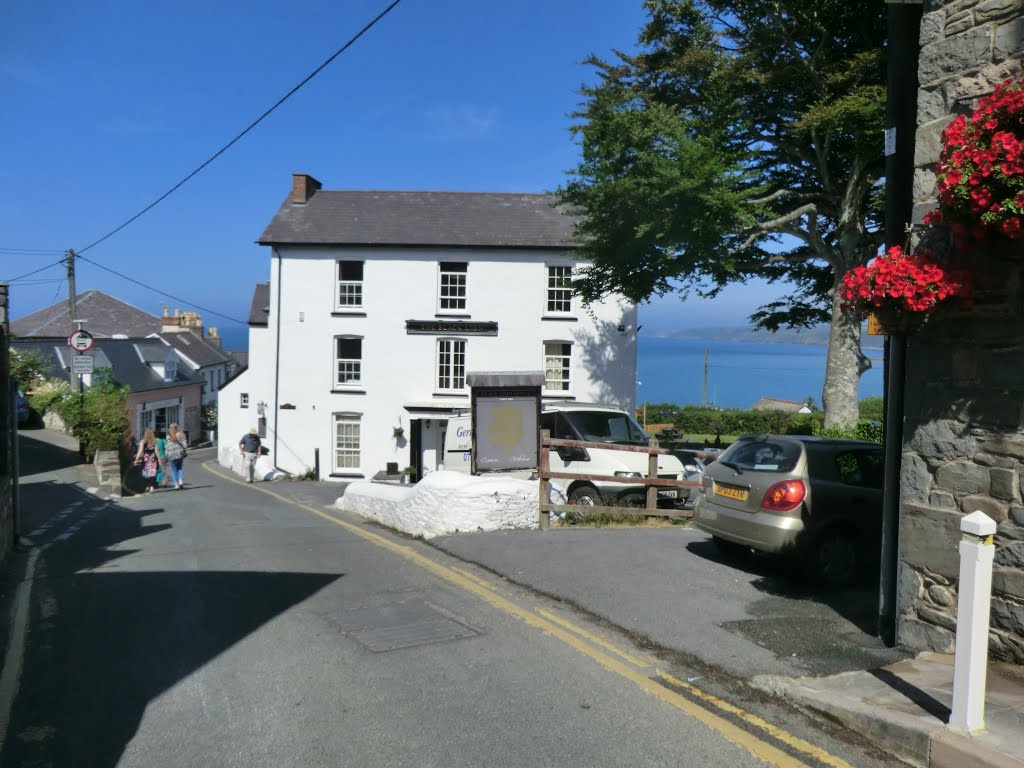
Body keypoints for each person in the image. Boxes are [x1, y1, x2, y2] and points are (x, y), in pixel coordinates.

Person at [134, 428, 160, 493]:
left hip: (146, 459)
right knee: (152, 474)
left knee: (145, 474)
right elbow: (157, 451)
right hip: (153, 459)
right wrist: (159, 459)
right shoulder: (154, 441)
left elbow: (140, 451)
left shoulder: (143, 442)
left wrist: (136, 459)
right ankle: (150, 487)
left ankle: (148, 486)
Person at [164, 423, 188, 490]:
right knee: (179, 468)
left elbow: (166, 447)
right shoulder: (181, 435)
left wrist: (166, 456)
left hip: (171, 455)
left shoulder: (168, 436)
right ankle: (180, 481)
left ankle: (176, 485)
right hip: (180, 454)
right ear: (177, 428)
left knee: (173, 470)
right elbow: (185, 445)